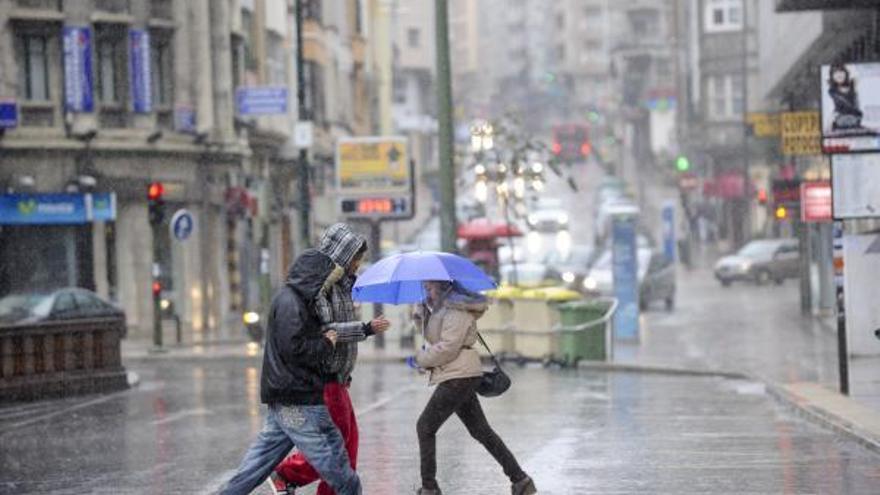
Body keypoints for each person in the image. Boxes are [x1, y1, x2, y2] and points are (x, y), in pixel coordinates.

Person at [220, 249, 362, 495]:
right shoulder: (291, 303)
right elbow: (295, 349)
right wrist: (326, 342)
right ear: (313, 278)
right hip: (298, 398)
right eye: (325, 281)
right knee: (339, 471)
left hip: (289, 396)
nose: (325, 288)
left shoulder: (294, 300)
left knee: (258, 464)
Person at [268, 223, 390, 495]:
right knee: (335, 446)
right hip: (325, 375)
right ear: (341, 255)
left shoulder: (343, 285)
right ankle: (286, 473)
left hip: (339, 377)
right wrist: (365, 328)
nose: (358, 264)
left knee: (349, 443)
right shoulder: (321, 286)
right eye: (355, 258)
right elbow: (327, 330)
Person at [413, 280, 536, 495]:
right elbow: (434, 338)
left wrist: (422, 359)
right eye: (425, 288)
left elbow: (448, 348)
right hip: (458, 376)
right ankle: (520, 480)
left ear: (443, 287)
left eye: (429, 288)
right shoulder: (444, 309)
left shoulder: (457, 310)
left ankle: (429, 488)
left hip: (459, 377)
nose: (427, 292)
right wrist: (420, 314)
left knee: (425, 426)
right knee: (481, 431)